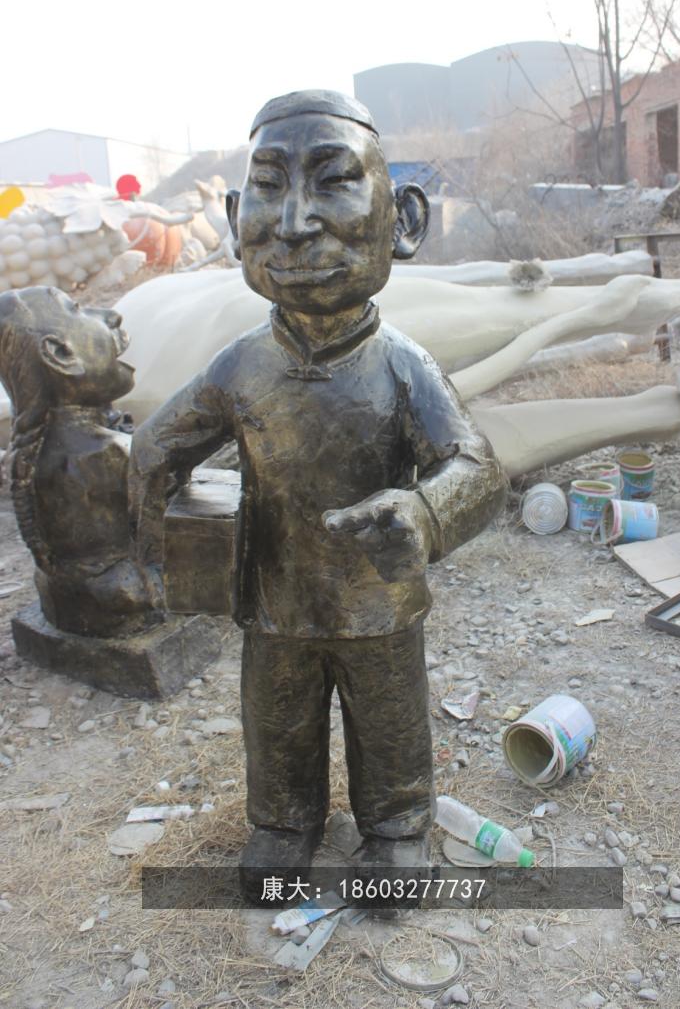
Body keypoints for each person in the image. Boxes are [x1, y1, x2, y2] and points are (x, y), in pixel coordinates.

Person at [129, 90, 506, 889]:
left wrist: (424, 511)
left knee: (390, 725)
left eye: (333, 181)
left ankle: (396, 831)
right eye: (269, 186)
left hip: (379, 605)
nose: (296, 223)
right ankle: (283, 823)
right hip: (274, 603)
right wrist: (160, 542)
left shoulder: (401, 364)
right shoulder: (242, 365)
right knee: (278, 727)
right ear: (236, 218)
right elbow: (158, 446)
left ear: (403, 221)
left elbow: (477, 467)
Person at [0, 285, 149, 636]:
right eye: (78, 309)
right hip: (114, 597)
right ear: (61, 353)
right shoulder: (101, 452)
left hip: (66, 595)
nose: (111, 316)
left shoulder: (46, 449)